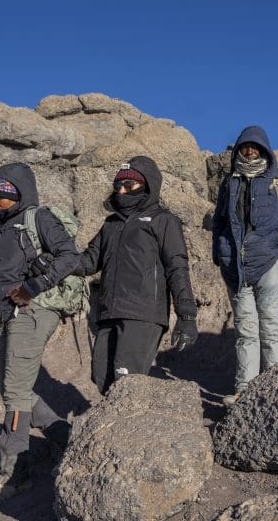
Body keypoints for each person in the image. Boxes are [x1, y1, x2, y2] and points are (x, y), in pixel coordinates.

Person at [0, 162, 80, 502]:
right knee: (14, 390)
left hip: (34, 310)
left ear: (19, 195)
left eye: (3, 198)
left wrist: (33, 287)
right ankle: (71, 440)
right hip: (7, 313)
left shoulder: (39, 219)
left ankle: (13, 474)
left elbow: (70, 257)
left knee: (15, 393)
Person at [76, 156, 198, 395]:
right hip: (109, 312)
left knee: (127, 382)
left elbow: (177, 267)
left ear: (147, 185)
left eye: (129, 186)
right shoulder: (111, 223)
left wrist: (186, 316)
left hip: (142, 313)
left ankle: (138, 429)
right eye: (118, 185)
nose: (122, 191)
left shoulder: (162, 220)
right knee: (101, 376)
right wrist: (55, 262)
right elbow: (89, 261)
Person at [212, 125, 278, 405]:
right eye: (245, 147)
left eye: (255, 147)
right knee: (245, 331)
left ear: (265, 150)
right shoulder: (229, 183)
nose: (250, 151)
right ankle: (245, 391)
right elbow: (219, 222)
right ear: (239, 150)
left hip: (269, 265)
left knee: (270, 327)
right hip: (236, 269)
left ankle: (276, 390)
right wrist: (219, 254)